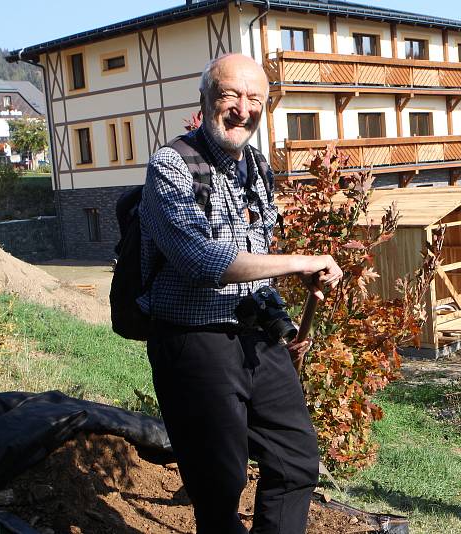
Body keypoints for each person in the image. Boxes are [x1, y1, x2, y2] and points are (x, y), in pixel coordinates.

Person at [138, 53, 342, 534]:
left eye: (254, 98)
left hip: (255, 335)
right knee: (219, 481)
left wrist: (288, 311)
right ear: (205, 99)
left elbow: (256, 259)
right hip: (193, 339)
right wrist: (302, 261)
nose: (242, 108)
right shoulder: (171, 166)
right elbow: (203, 261)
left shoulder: (255, 165)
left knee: (295, 460)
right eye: (230, 94)